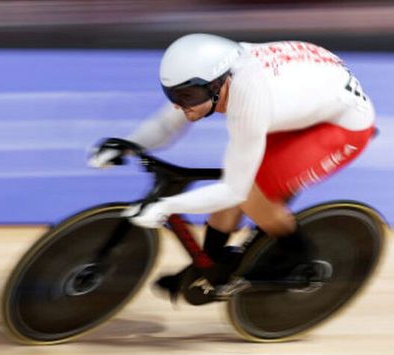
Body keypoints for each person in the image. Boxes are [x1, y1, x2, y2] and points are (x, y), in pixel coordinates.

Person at [88, 33, 376, 300]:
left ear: (217, 85)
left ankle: (300, 258)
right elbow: (166, 124)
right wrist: (127, 143)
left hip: (340, 126)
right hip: (300, 101)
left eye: (187, 97)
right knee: (238, 174)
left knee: (249, 195)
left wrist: (164, 207)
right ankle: (208, 268)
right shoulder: (207, 77)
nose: (179, 105)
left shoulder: (247, 98)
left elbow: (234, 191)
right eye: (172, 95)